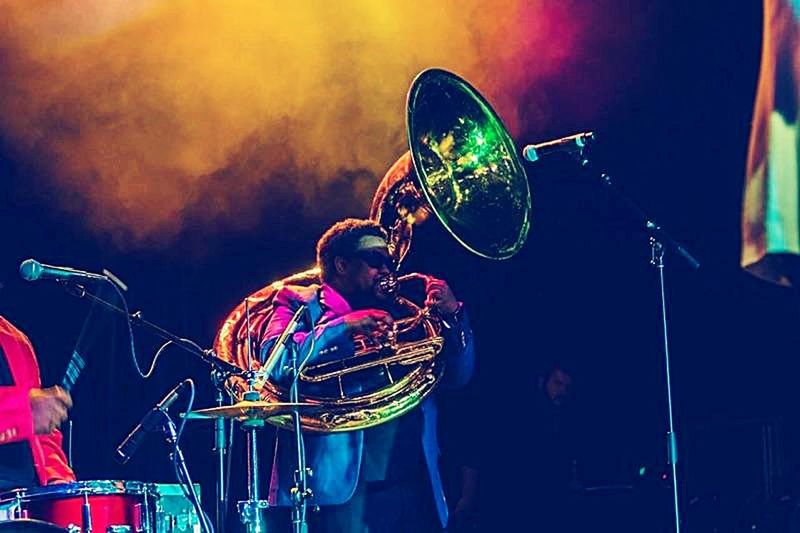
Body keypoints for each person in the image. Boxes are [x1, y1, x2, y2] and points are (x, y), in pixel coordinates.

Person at [260, 218, 475, 532]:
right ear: (342, 264)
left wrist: (453, 314)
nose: (388, 270)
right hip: (343, 492)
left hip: (414, 485)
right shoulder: (299, 302)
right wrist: (343, 327)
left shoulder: (405, 311)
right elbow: (275, 363)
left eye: (389, 261)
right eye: (375, 261)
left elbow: (459, 376)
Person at [0, 315, 75, 492]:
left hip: (21, 504)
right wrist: (21, 412)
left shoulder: (15, 339)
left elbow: (39, 434)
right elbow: (28, 412)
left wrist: (56, 476)